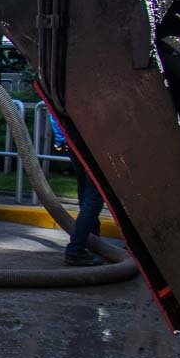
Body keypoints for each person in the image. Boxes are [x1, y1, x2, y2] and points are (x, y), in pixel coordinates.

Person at [49, 114, 105, 266]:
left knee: (86, 191)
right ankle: (76, 249)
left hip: (73, 141)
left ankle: (93, 242)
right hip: (88, 141)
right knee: (94, 197)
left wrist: (60, 139)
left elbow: (54, 112)